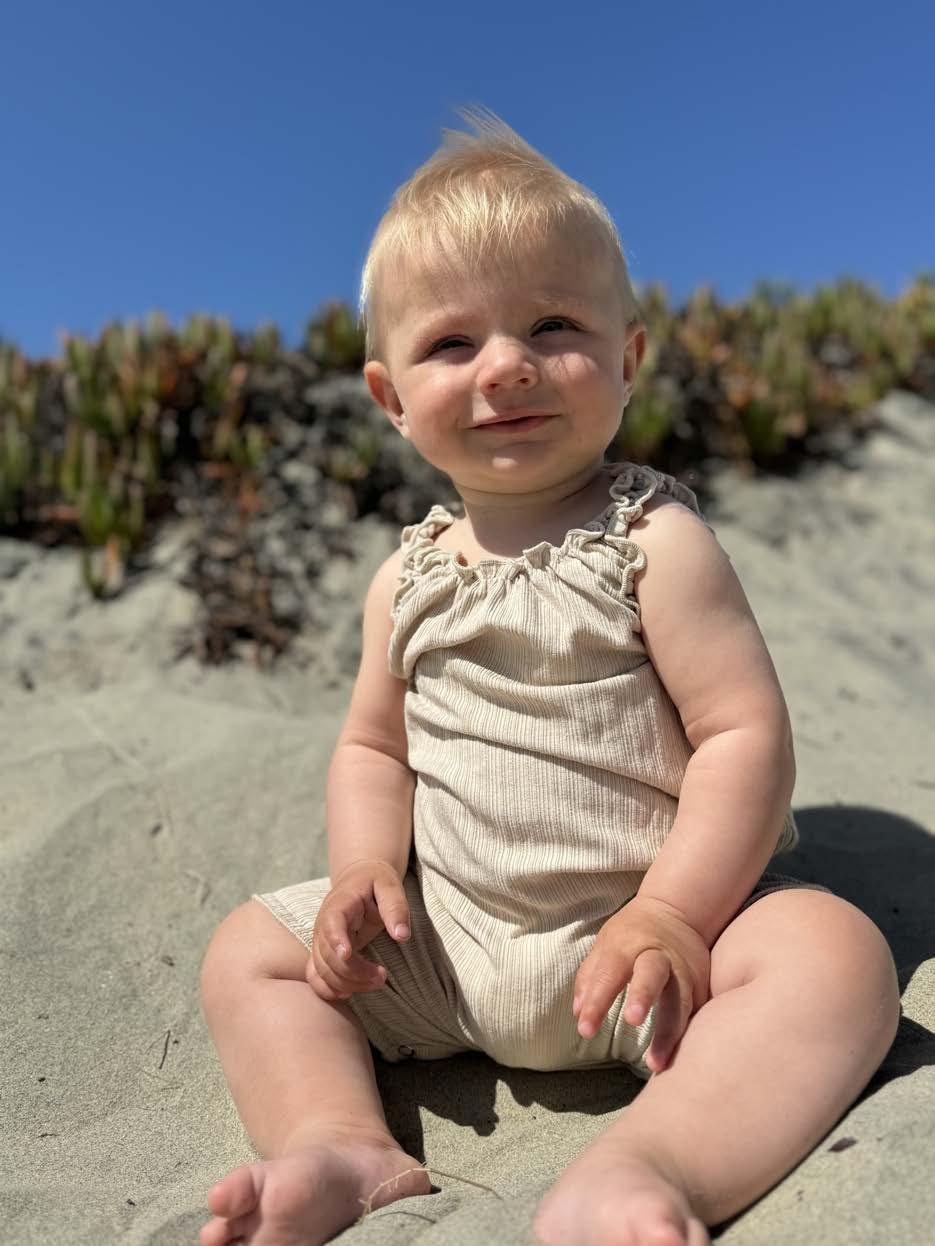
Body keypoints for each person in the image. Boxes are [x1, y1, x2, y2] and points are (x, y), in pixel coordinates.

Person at [198, 110, 900, 1246]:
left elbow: (742, 736)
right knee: (249, 953)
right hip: (450, 953)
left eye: (553, 324)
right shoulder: (403, 579)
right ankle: (338, 1143)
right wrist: (364, 869)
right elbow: (373, 747)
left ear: (626, 360)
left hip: (655, 950)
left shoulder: (652, 538)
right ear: (389, 398)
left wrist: (674, 913)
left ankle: (650, 1164)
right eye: (450, 344)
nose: (507, 364)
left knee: (834, 957)